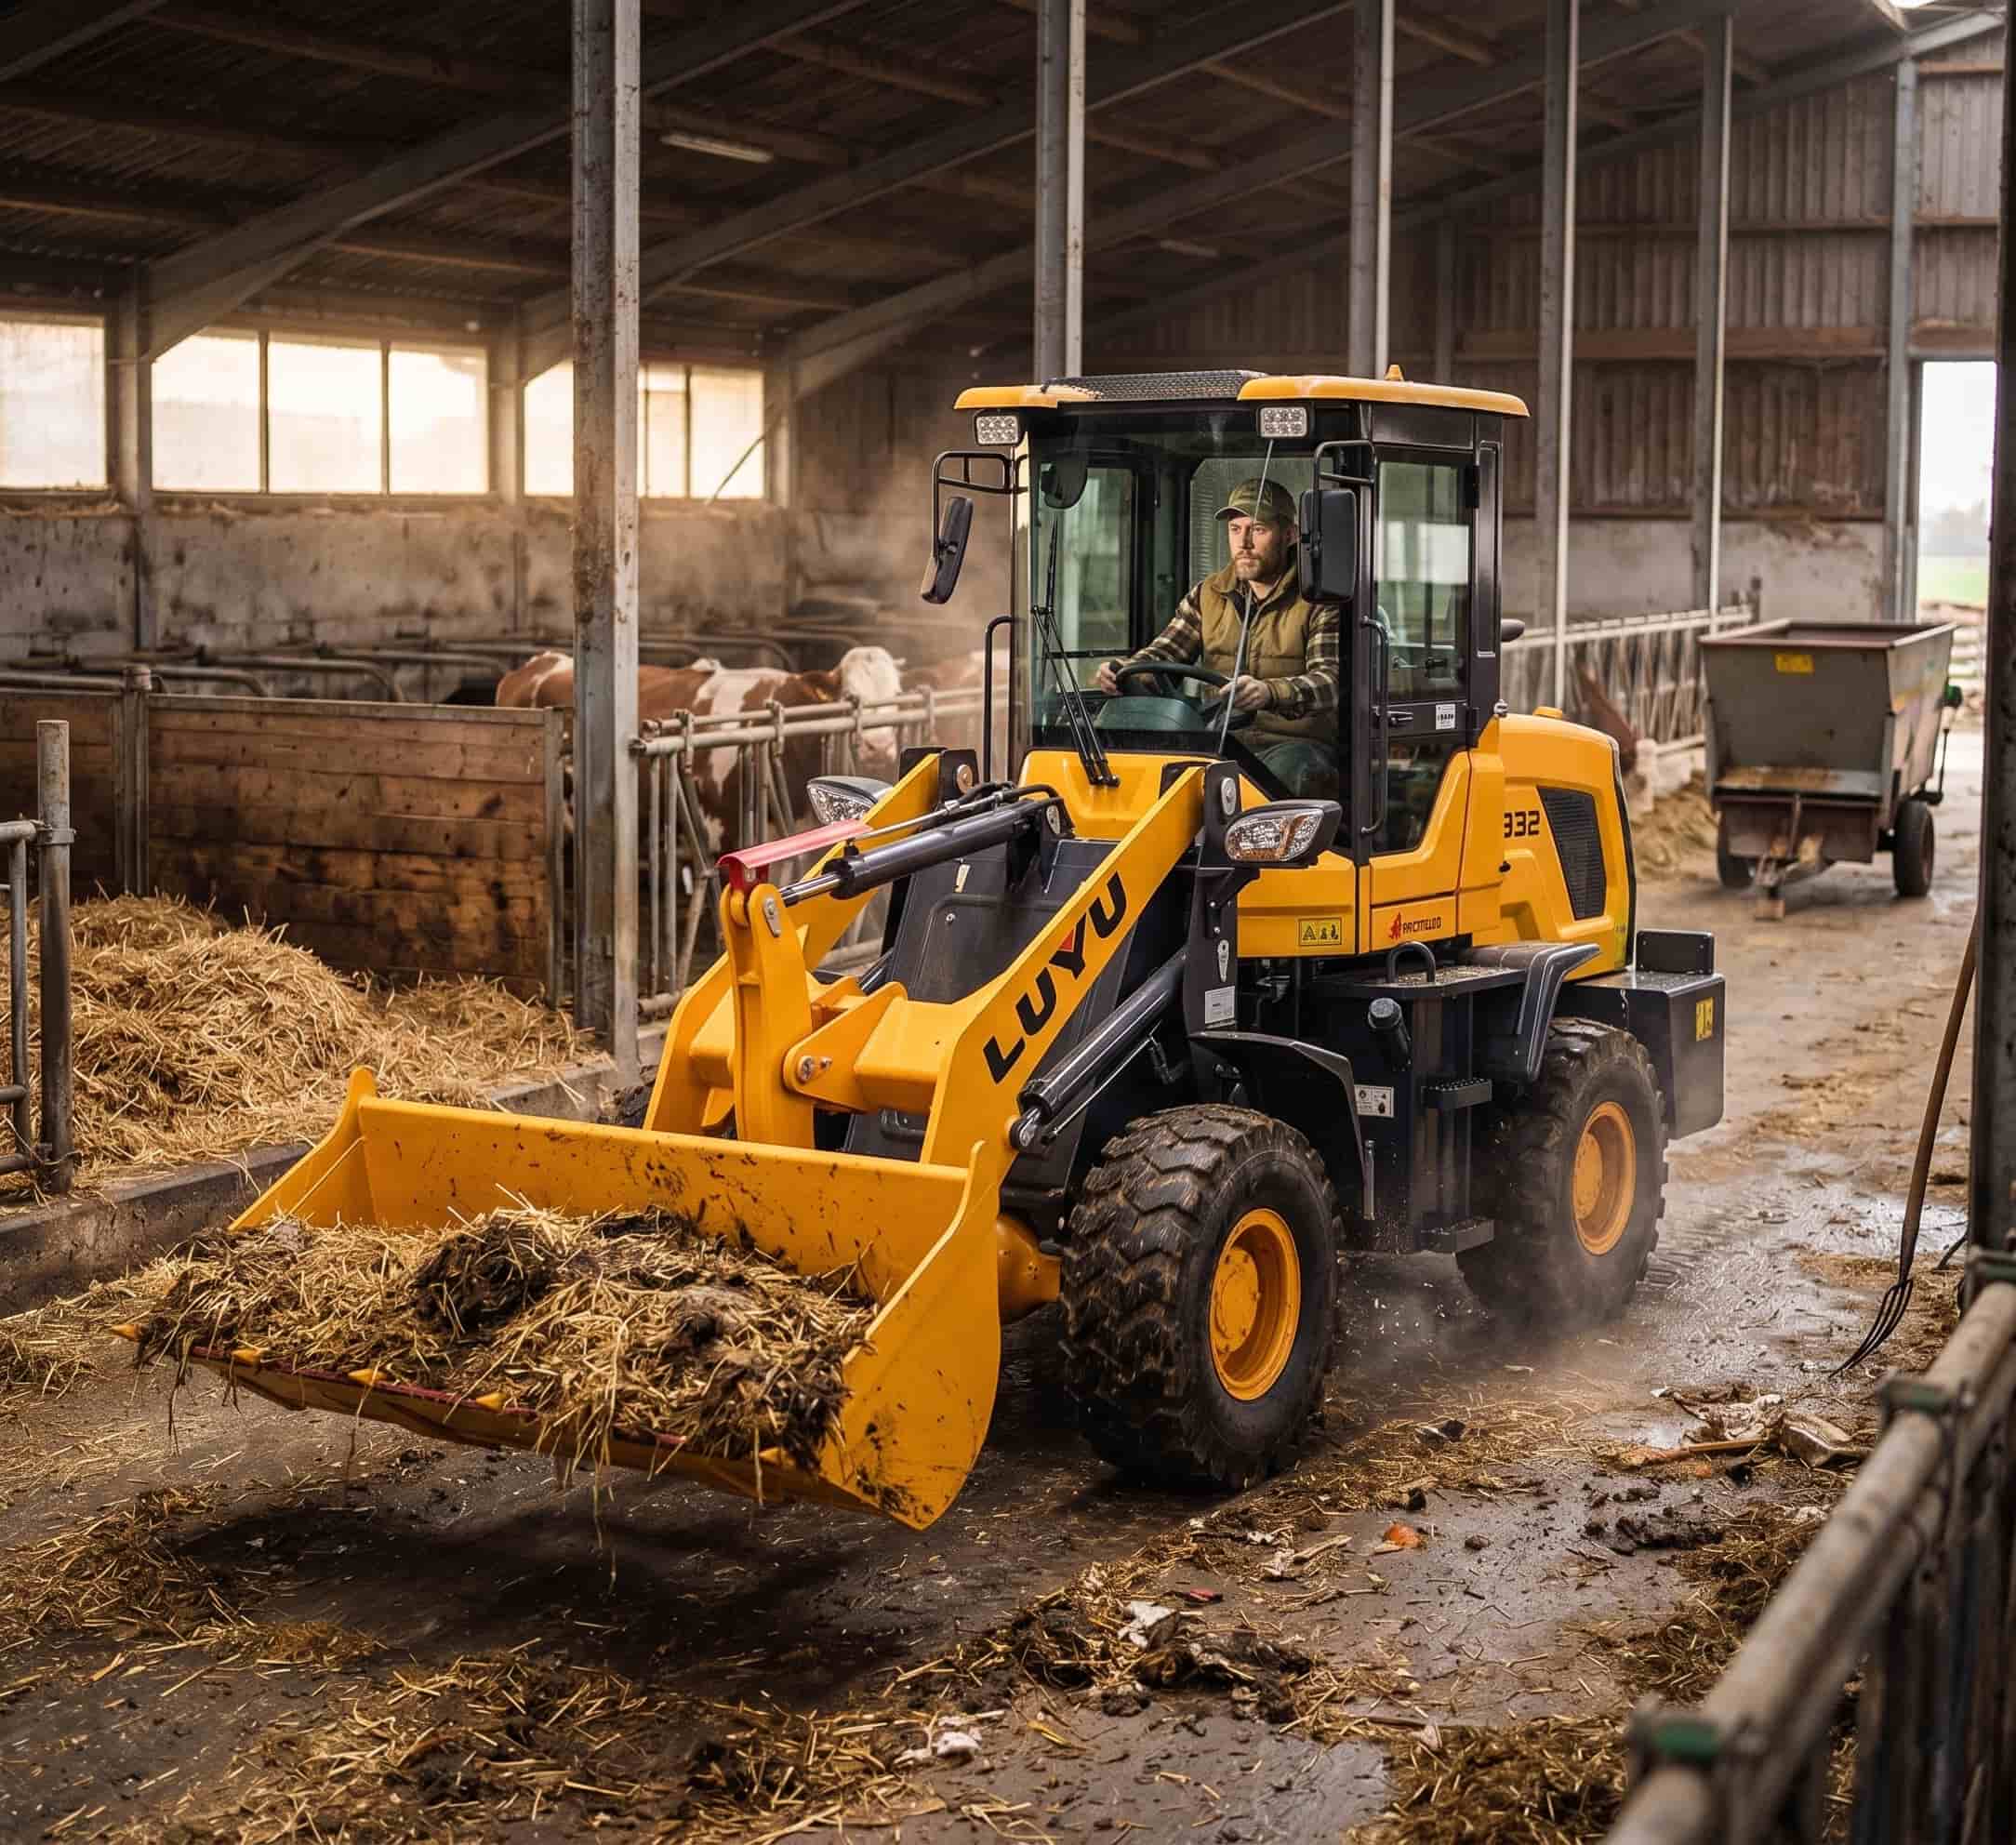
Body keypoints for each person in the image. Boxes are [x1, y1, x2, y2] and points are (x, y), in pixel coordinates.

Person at [1094, 477, 1338, 795]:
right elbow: (1163, 655)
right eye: (1235, 529)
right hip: (1218, 742)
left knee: (1283, 777)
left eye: (1258, 530)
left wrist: (1270, 693)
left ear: (1290, 535)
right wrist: (1123, 670)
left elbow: (1331, 682)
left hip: (1294, 745)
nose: (1244, 543)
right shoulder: (1209, 594)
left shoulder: (1318, 601)